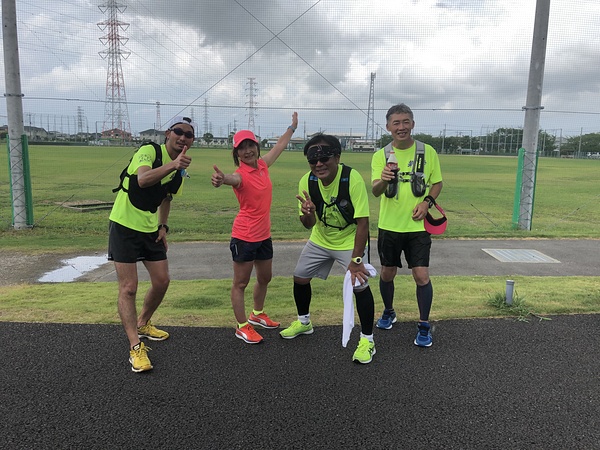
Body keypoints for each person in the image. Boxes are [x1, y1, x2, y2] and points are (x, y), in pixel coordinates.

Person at [279, 133, 377, 364]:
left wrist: (356, 260)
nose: (319, 164)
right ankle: (304, 323)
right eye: (313, 160)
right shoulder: (306, 182)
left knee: (360, 283)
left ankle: (367, 340)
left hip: (348, 239)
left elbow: (363, 222)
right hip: (320, 238)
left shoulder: (351, 178)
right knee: (300, 278)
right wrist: (308, 214)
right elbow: (308, 225)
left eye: (325, 158)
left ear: (338, 157)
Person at [108, 116, 193, 372]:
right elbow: (143, 180)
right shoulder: (149, 151)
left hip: (149, 229)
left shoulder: (180, 169)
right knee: (129, 288)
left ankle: (143, 322)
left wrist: (163, 226)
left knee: (162, 281)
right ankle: (135, 347)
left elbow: (166, 198)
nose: (183, 137)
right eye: (179, 131)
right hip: (124, 225)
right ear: (168, 133)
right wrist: (174, 165)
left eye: (189, 135)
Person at [211, 112, 299, 344]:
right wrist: (222, 180)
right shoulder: (240, 175)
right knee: (240, 283)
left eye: (251, 145)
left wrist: (291, 128)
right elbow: (231, 179)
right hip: (245, 236)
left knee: (265, 278)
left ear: (257, 147)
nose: (248, 150)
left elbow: (279, 147)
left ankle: (257, 314)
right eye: (242, 148)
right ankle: (242, 326)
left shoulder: (262, 165)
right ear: (236, 153)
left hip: (263, 235)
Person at [371, 103, 443, 347]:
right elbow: (375, 191)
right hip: (389, 226)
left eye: (405, 122)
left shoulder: (427, 152)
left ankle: (424, 325)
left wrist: (427, 203)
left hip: (417, 228)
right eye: (396, 123)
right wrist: (382, 180)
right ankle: (389, 311)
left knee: (421, 275)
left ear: (413, 124)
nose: (401, 127)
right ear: (388, 126)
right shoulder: (380, 155)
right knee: (387, 273)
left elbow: (437, 183)